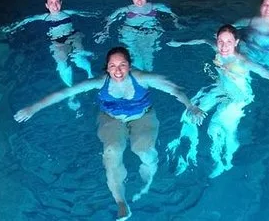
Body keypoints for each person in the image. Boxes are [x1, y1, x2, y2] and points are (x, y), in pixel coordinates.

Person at [14, 47, 205, 221]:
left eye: (122, 65)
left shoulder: (142, 78)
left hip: (143, 116)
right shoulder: (100, 82)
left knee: (144, 150)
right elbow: (65, 93)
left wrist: (191, 106)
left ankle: (149, 179)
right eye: (113, 66)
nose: (118, 70)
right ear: (107, 67)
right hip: (111, 119)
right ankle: (121, 201)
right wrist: (34, 107)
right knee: (112, 151)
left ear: (129, 65)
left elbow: (173, 89)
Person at [166, 24, 269, 178]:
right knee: (189, 114)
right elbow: (203, 39)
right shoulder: (218, 49)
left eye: (229, 42)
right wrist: (180, 43)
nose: (224, 47)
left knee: (216, 128)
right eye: (220, 41)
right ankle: (185, 153)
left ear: (236, 42)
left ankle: (224, 162)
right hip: (221, 88)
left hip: (239, 97)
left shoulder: (244, 62)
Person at [3, 0, 98, 112]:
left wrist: (98, 15)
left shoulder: (68, 13)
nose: (55, 5)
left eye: (57, 2)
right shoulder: (44, 17)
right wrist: (12, 27)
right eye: (51, 3)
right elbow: (27, 20)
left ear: (61, 3)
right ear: (47, 6)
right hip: (57, 42)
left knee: (79, 56)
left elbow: (85, 13)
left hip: (73, 37)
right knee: (62, 64)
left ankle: (90, 75)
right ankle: (71, 92)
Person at [94, 0, 182, 72]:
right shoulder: (126, 9)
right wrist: (104, 32)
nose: (139, 1)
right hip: (129, 31)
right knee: (133, 54)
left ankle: (146, 75)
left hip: (149, 32)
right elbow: (109, 19)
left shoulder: (155, 7)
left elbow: (174, 13)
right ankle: (138, 74)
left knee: (148, 55)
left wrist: (176, 22)